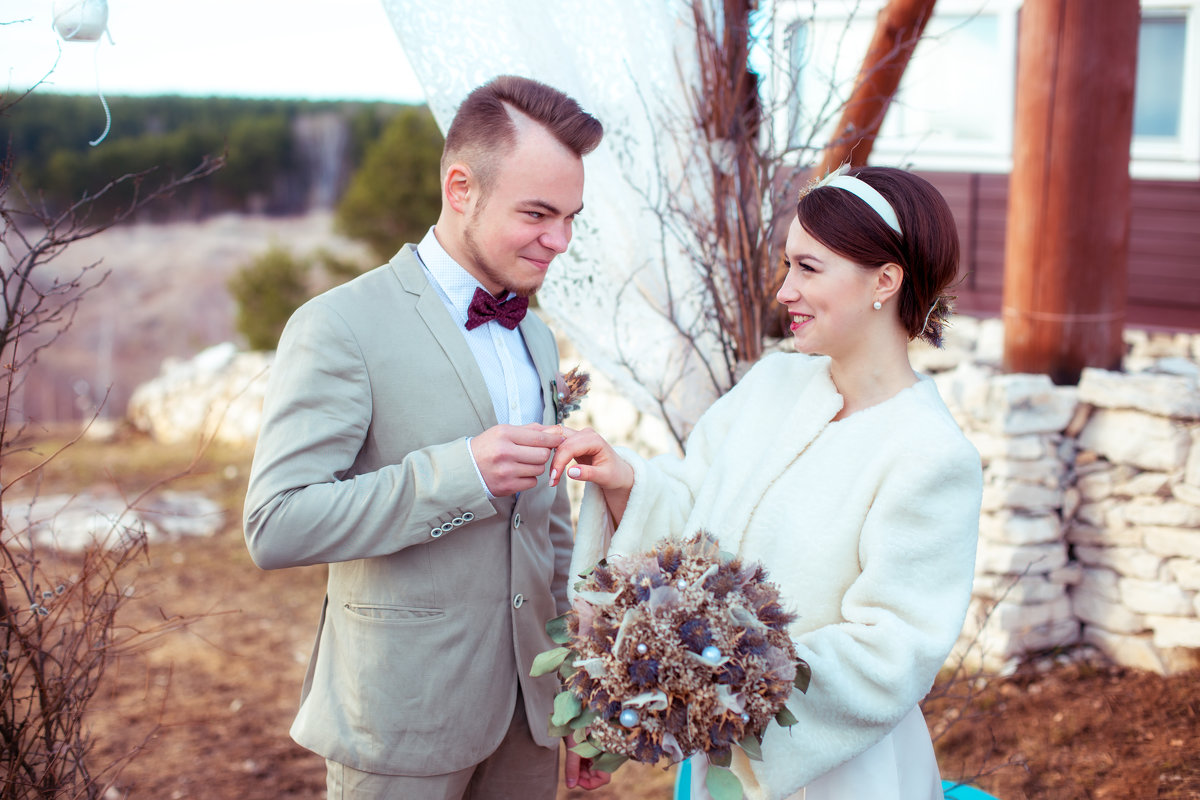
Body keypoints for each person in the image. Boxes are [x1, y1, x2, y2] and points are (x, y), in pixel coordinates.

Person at [549, 165, 984, 800]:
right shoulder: (775, 383)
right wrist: (624, 482)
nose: (784, 291)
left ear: (884, 281)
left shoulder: (930, 455)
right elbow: (696, 508)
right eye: (787, 266)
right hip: (724, 759)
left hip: (839, 770)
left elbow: (894, 649)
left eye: (809, 269)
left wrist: (739, 673)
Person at [243, 75, 611, 799]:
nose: (560, 241)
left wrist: (575, 692)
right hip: (400, 724)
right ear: (461, 188)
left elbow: (546, 526)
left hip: (528, 722)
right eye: (538, 213)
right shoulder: (339, 325)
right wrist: (460, 475)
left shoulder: (534, 335)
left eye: (570, 217)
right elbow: (274, 524)